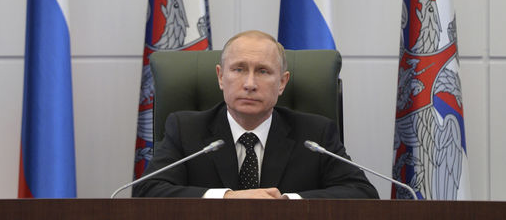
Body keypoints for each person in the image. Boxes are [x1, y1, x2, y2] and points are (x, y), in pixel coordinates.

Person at [133, 30, 379, 199]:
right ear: (220, 76)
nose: (249, 83)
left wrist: (285, 202)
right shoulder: (186, 129)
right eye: (239, 69)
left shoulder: (315, 135)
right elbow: (147, 190)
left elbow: (361, 192)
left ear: (282, 83)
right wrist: (228, 197)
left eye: (262, 71)